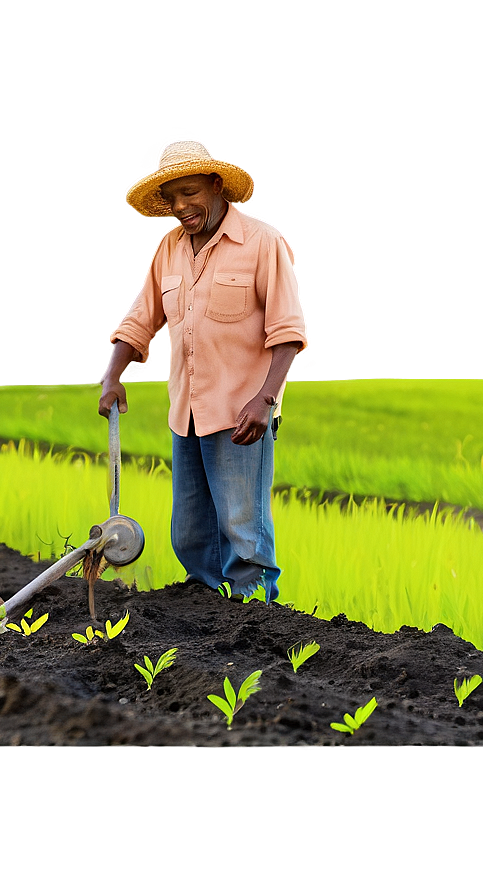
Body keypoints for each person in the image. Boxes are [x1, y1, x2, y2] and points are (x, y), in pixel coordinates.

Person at [98, 139, 308, 605]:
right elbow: (140, 318)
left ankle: (254, 614)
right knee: (190, 531)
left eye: (189, 193)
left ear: (216, 186)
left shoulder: (263, 243)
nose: (180, 207)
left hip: (241, 415)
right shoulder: (169, 250)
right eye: (171, 198)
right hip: (187, 413)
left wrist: (265, 399)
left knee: (242, 529)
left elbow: (288, 331)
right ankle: (204, 612)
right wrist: (112, 375)